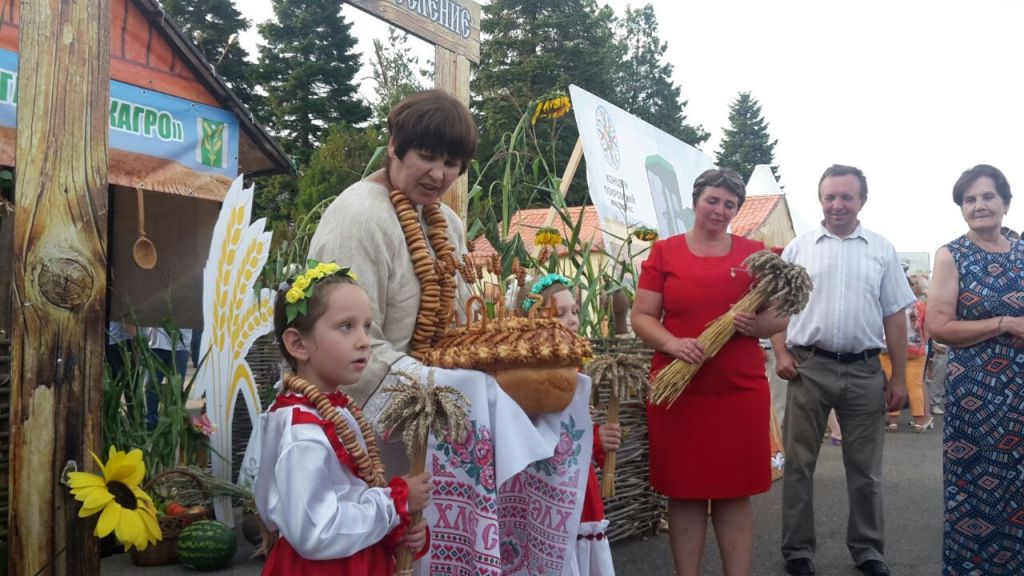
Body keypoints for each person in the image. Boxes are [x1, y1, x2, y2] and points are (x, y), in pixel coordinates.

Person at [307, 90, 475, 473]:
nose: (438, 175)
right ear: (395, 146)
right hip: (361, 433)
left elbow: (464, 317)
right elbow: (344, 340)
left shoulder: (448, 224)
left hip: (435, 425)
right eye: (426, 156)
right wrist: (440, 390)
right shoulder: (358, 215)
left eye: (451, 163)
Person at [631, 168, 788, 576]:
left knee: (735, 492)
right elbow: (642, 316)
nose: (719, 210)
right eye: (712, 201)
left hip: (738, 390)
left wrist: (758, 325)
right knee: (683, 490)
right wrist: (671, 344)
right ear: (695, 202)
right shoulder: (664, 252)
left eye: (729, 204)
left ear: (737, 210)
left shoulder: (756, 255)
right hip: (678, 390)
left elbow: (779, 317)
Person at [770, 164, 915, 576]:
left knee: (866, 469)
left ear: (861, 201)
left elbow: (895, 315)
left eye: (846, 197)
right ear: (820, 199)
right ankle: (798, 550)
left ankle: (868, 549)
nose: (837, 204)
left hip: (864, 370)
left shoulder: (881, 249)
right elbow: (776, 305)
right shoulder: (799, 248)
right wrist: (780, 353)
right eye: (830, 196)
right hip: (808, 367)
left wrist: (898, 376)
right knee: (799, 465)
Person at [255, 261, 432, 575]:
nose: (364, 340)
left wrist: (397, 529)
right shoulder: (303, 433)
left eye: (366, 326)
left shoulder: (333, 410)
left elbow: (352, 496)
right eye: (346, 326)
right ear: (298, 344)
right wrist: (394, 504)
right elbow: (317, 532)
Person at [925, 164, 1024, 575]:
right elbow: (939, 327)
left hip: (1021, 392)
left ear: (1006, 203)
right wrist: (1003, 323)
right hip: (977, 399)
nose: (979, 205)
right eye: (970, 199)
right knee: (975, 494)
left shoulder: (1022, 252)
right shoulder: (952, 255)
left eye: (987, 197)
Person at [519, 273, 622, 576]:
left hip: (577, 482)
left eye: (574, 311)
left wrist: (599, 438)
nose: (573, 320)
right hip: (549, 486)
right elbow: (549, 433)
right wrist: (594, 438)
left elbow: (575, 428)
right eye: (561, 313)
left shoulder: (573, 368)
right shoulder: (529, 378)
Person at [883, 273, 933, 432]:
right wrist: (922, 343)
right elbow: (927, 330)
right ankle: (918, 422)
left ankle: (892, 422)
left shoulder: (889, 304)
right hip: (915, 349)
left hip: (889, 348)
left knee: (891, 382)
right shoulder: (921, 305)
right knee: (915, 385)